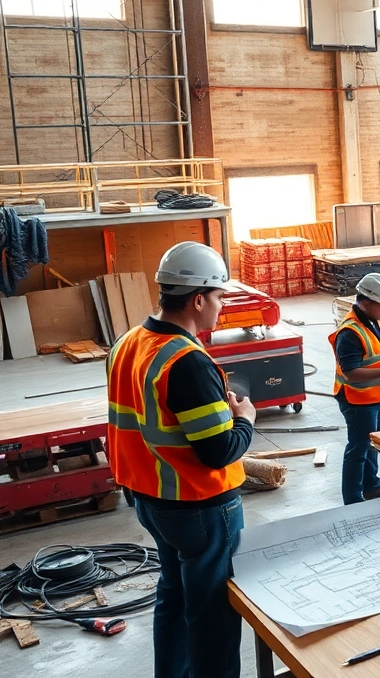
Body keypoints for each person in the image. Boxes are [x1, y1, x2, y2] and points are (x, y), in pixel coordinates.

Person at [106, 242, 254, 678]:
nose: (222, 307)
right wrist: (244, 417)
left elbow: (153, 415)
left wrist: (211, 408)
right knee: (212, 614)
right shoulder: (187, 361)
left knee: (172, 595)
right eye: (220, 297)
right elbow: (219, 451)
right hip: (200, 507)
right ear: (197, 299)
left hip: (149, 499)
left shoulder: (129, 342)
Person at [329, 273, 380, 505]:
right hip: (357, 400)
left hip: (377, 396)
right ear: (366, 303)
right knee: (358, 448)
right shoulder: (350, 332)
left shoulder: (376, 322)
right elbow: (351, 372)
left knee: (373, 443)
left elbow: (379, 354)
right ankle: (353, 499)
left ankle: (371, 486)